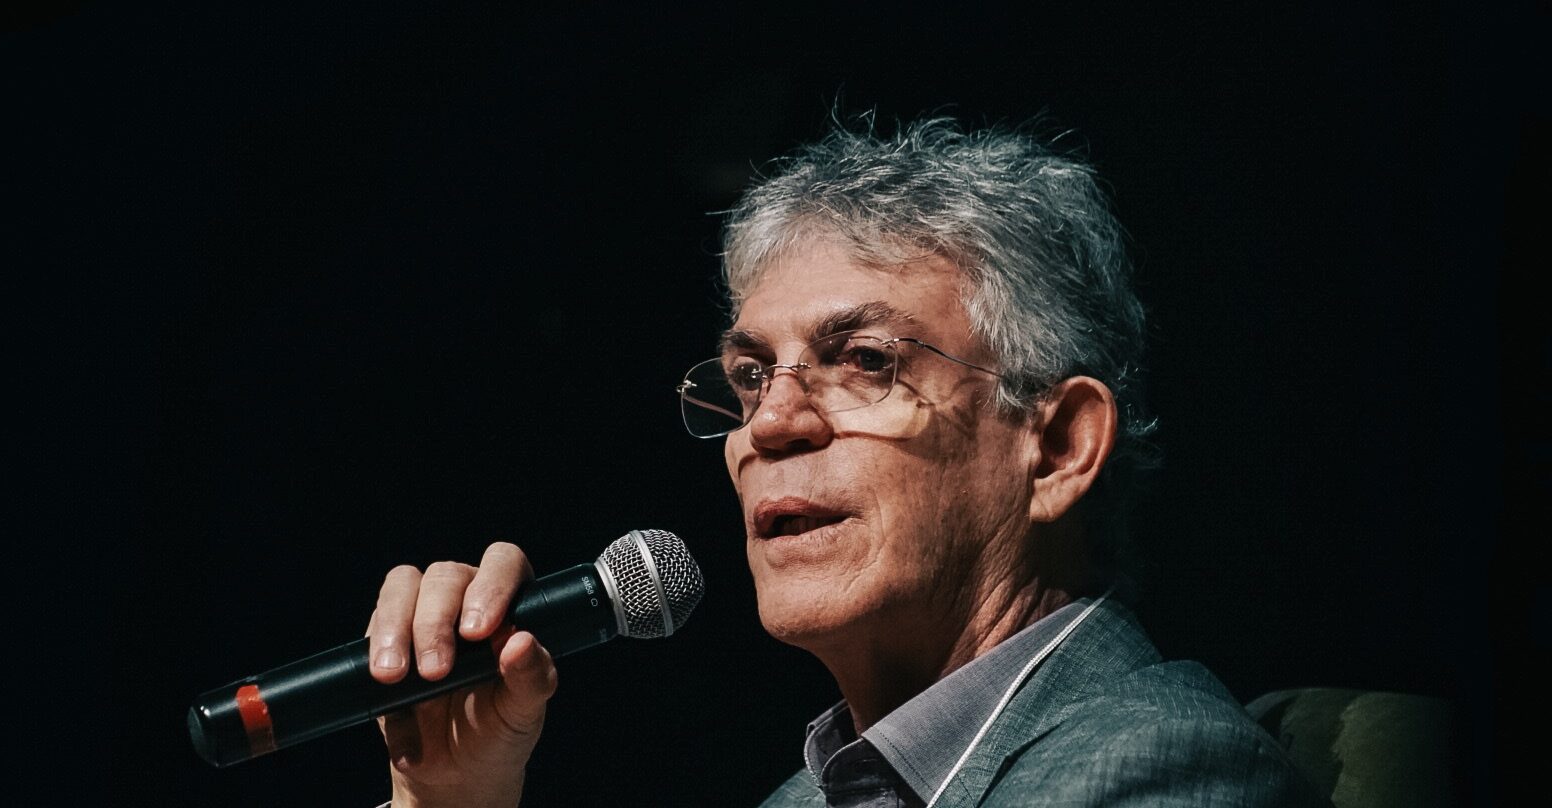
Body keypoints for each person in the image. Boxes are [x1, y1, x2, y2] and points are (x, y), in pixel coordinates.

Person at [361, 117, 1331, 807]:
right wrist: (448, 801)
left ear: (1058, 445)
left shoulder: (1161, 769)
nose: (770, 423)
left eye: (865, 360)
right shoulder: (805, 797)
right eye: (749, 376)